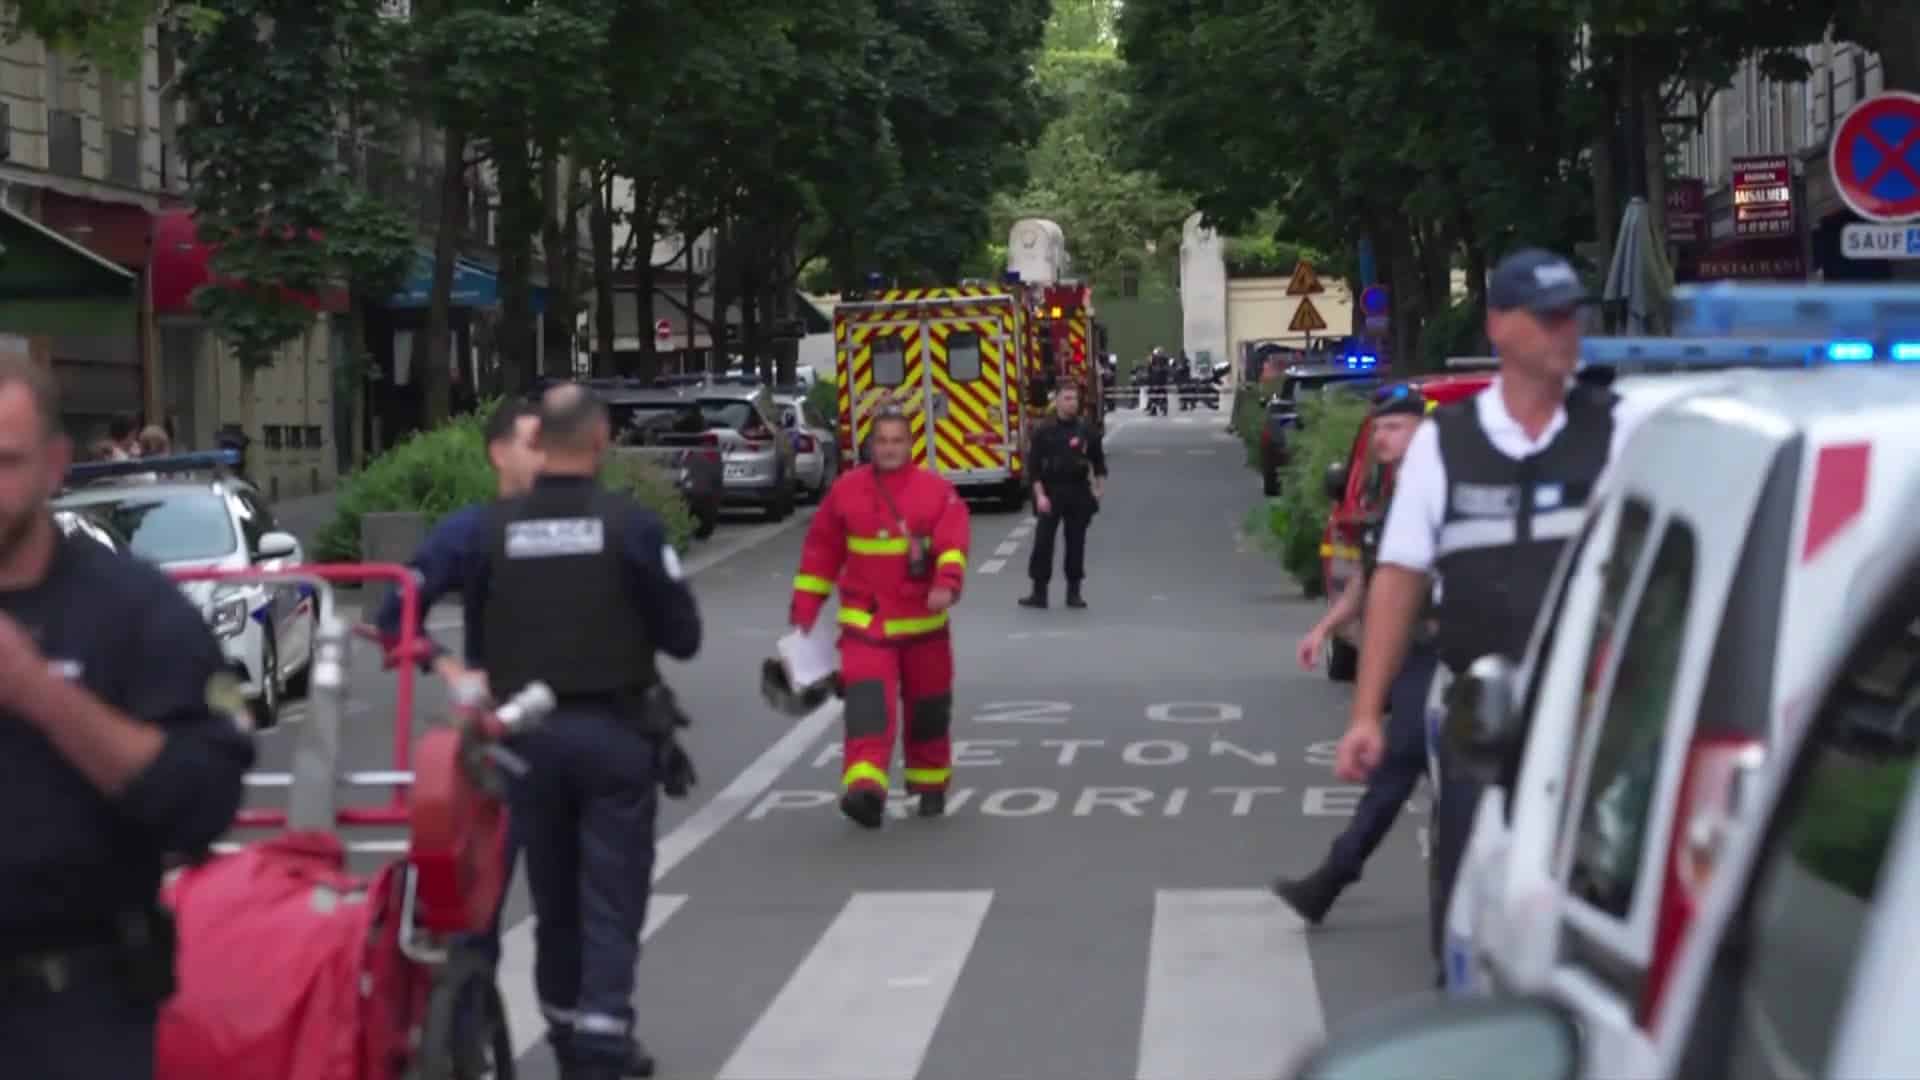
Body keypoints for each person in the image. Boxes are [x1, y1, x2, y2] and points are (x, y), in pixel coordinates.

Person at [1331, 248, 1656, 988]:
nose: (1562, 331)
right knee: (1468, 887)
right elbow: (1399, 579)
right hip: (1483, 715)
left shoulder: (1623, 428)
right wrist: (1365, 714)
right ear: (1500, 326)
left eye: (1570, 315)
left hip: (1597, 716)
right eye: (1545, 318)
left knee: (1599, 901)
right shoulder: (1448, 445)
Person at [436, 384, 701, 1079]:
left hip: (523, 743)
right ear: (600, 440)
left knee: (553, 900)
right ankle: (604, 1037)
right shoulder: (630, 526)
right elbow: (685, 637)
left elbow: (451, 621)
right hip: (613, 736)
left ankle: (561, 1027)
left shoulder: (490, 533)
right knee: (609, 900)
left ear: (540, 444)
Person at [0, 355, 254, 1078]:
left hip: (74, 1012)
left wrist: (39, 692)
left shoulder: (135, 612)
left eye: (4, 462)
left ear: (55, 466)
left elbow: (202, 801)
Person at [1271, 383, 1435, 923]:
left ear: (1422, 429)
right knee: (1421, 773)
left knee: (1402, 768)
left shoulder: (1441, 490)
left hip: (1442, 650)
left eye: (1394, 428)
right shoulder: (1397, 494)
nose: (1382, 439)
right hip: (1411, 655)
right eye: (1379, 429)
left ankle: (1332, 880)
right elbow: (1373, 578)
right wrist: (1325, 627)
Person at [789, 405, 970, 828]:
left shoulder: (935, 491)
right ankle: (865, 789)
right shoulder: (846, 491)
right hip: (866, 626)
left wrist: (947, 582)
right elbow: (821, 553)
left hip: (925, 628)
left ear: (911, 444)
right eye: (882, 441)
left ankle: (929, 785)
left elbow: (953, 540)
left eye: (897, 440)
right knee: (868, 708)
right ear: (871, 445)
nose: (889, 448)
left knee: (928, 710)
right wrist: (804, 611)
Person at [1019, 383, 1106, 610]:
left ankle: (1074, 592)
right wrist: (1040, 496)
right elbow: (1034, 468)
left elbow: (1098, 463)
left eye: (1074, 399)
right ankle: (1039, 593)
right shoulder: (1043, 432)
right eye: (1067, 398)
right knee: (1043, 544)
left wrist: (1098, 490)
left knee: (1076, 543)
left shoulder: (1086, 430)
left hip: (1078, 492)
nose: (1072, 403)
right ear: (1056, 401)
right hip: (1050, 492)